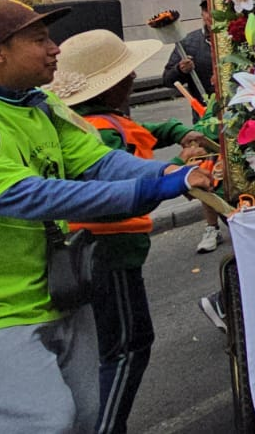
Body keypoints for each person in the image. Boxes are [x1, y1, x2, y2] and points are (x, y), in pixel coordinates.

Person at [0, 0, 212, 433]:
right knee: (46, 425)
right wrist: (160, 185)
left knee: (84, 420)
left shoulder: (39, 104)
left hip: (56, 295)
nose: (55, 49)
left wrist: (180, 173)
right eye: (39, 39)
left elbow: (99, 163)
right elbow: (31, 196)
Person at [46, 30, 212, 434]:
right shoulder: (98, 133)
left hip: (113, 251)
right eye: (128, 75)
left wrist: (180, 133)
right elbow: (120, 172)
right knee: (127, 347)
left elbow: (150, 133)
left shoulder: (101, 121)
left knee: (121, 344)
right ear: (112, 86)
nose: (135, 79)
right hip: (107, 252)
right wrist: (180, 169)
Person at [158, 0, 225, 254]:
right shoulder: (188, 43)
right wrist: (180, 68)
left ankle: (236, 220)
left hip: (232, 115)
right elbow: (167, 79)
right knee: (204, 170)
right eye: (206, 10)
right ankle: (211, 227)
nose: (211, 15)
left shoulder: (233, 37)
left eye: (214, 9)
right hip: (203, 120)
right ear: (202, 14)